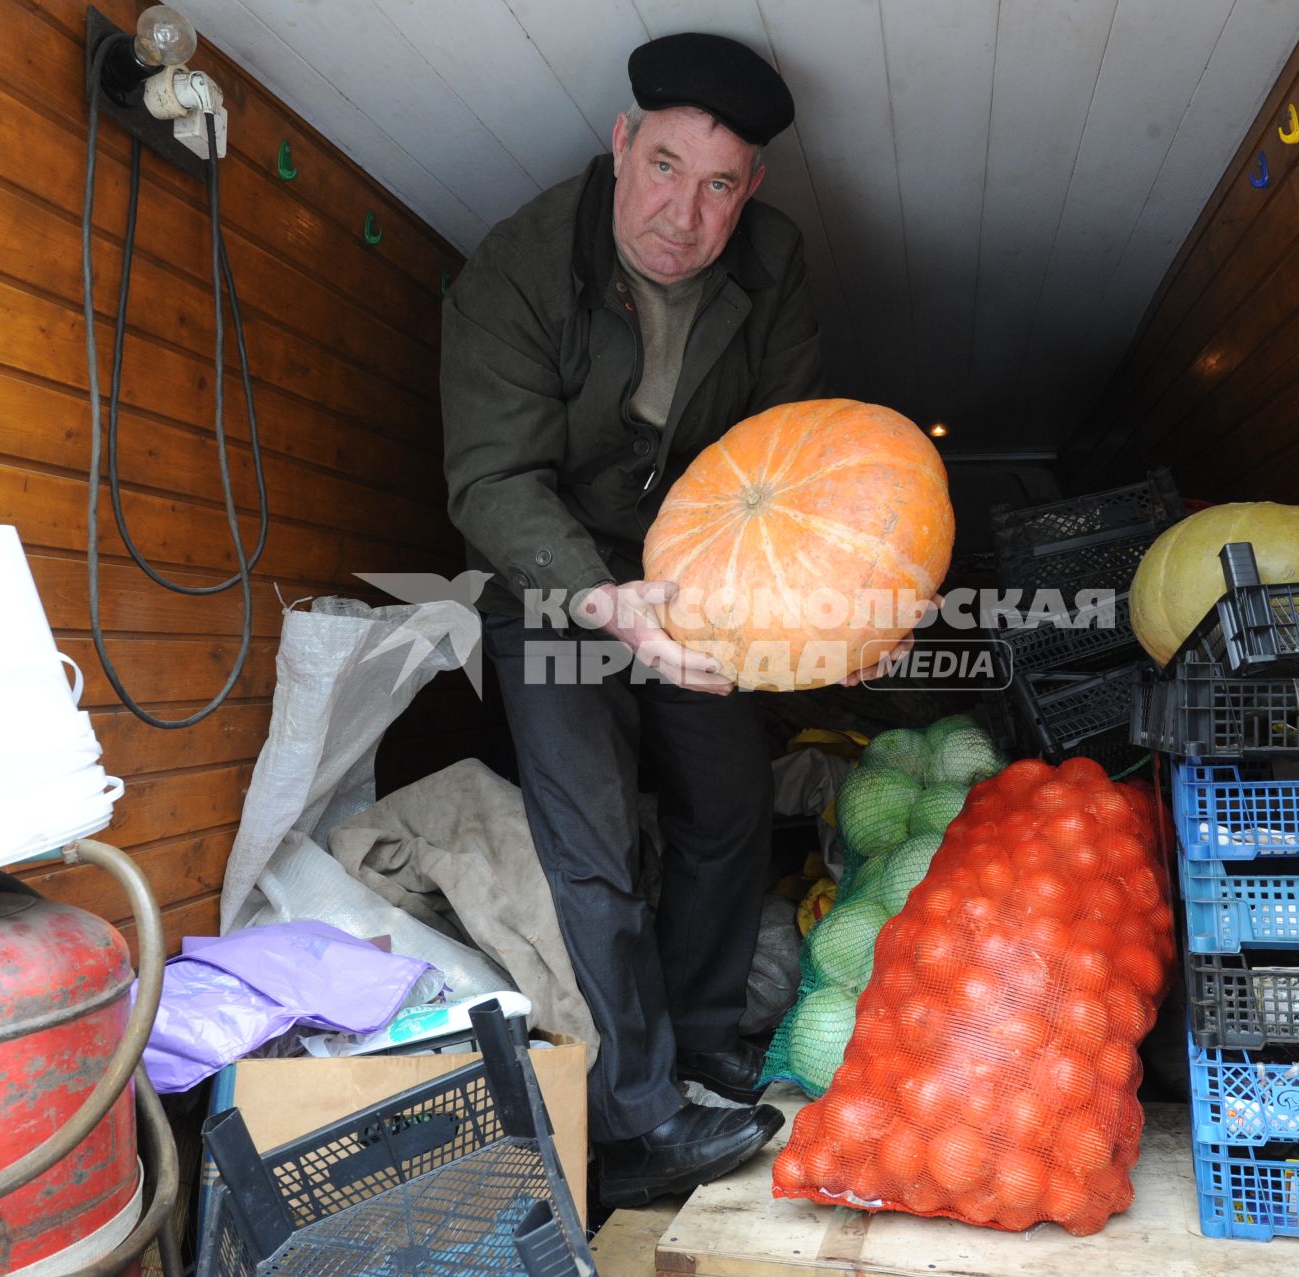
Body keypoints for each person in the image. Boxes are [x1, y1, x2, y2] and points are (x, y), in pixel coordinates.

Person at [440, 33, 821, 1206]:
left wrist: (833, 603)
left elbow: (792, 461)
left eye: (718, 184)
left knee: (731, 801)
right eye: (663, 167)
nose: (682, 214)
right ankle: (639, 1118)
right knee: (591, 837)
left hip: (692, 573)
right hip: (550, 572)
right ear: (620, 145)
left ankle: (704, 1042)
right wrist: (605, 603)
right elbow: (493, 482)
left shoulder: (774, 265)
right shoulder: (516, 264)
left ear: (749, 189)